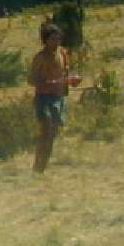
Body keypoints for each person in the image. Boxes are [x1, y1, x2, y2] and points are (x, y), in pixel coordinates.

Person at [30, 21, 78, 173]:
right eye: (52, 39)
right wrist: (50, 82)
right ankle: (37, 167)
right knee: (46, 129)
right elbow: (31, 79)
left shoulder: (62, 53)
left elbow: (66, 74)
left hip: (58, 97)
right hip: (44, 97)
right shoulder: (40, 57)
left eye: (58, 39)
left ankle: (41, 168)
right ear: (45, 40)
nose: (56, 42)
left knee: (52, 135)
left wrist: (73, 80)